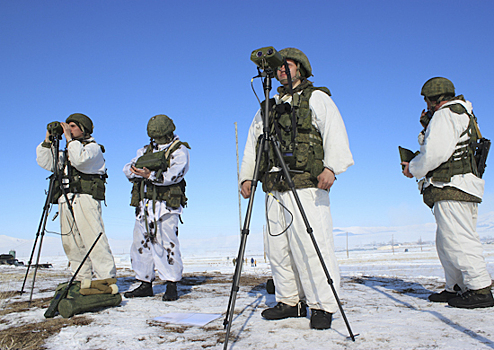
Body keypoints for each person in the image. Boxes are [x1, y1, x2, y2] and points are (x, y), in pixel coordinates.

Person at [239, 48, 354, 329]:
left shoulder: (318, 98)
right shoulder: (266, 106)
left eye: (287, 66)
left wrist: (332, 168)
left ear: (300, 69)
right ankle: (289, 301)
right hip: (274, 187)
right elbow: (254, 143)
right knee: (278, 248)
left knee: (313, 247)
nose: (281, 71)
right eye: (278, 67)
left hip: (306, 185)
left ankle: (321, 306)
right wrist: (247, 177)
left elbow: (334, 133)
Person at [402, 77, 493, 309]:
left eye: (427, 100)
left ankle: (480, 289)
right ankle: (457, 287)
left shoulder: (446, 114)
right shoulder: (459, 114)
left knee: (459, 239)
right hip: (454, 186)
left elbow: (434, 154)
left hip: (453, 186)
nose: (427, 104)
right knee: (446, 241)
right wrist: (426, 127)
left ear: (434, 98)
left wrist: (412, 168)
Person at [36, 113, 117, 288]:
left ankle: (106, 278)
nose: (68, 129)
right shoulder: (68, 150)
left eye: (72, 126)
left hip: (85, 198)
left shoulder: (93, 148)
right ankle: (82, 278)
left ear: (84, 128)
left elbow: (80, 160)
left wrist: (68, 139)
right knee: (70, 242)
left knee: (93, 237)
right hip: (66, 198)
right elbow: (46, 162)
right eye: (68, 126)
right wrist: (48, 140)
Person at [123, 114, 190, 301]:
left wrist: (150, 175)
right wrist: (138, 172)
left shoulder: (179, 151)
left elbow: (174, 175)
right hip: (145, 206)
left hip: (166, 206)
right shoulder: (145, 151)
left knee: (167, 243)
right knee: (140, 244)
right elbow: (128, 169)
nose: (158, 140)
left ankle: (171, 284)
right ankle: (145, 283)